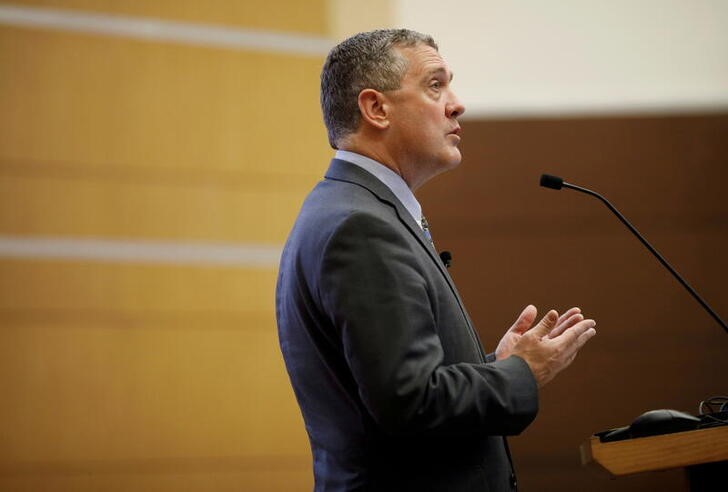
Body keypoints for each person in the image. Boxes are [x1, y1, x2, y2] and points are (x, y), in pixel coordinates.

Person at [275, 29, 596, 492]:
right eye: (435, 85)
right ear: (376, 108)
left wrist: (497, 366)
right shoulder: (360, 227)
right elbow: (410, 403)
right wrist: (521, 372)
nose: (457, 104)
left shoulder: (355, 210)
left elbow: (399, 386)